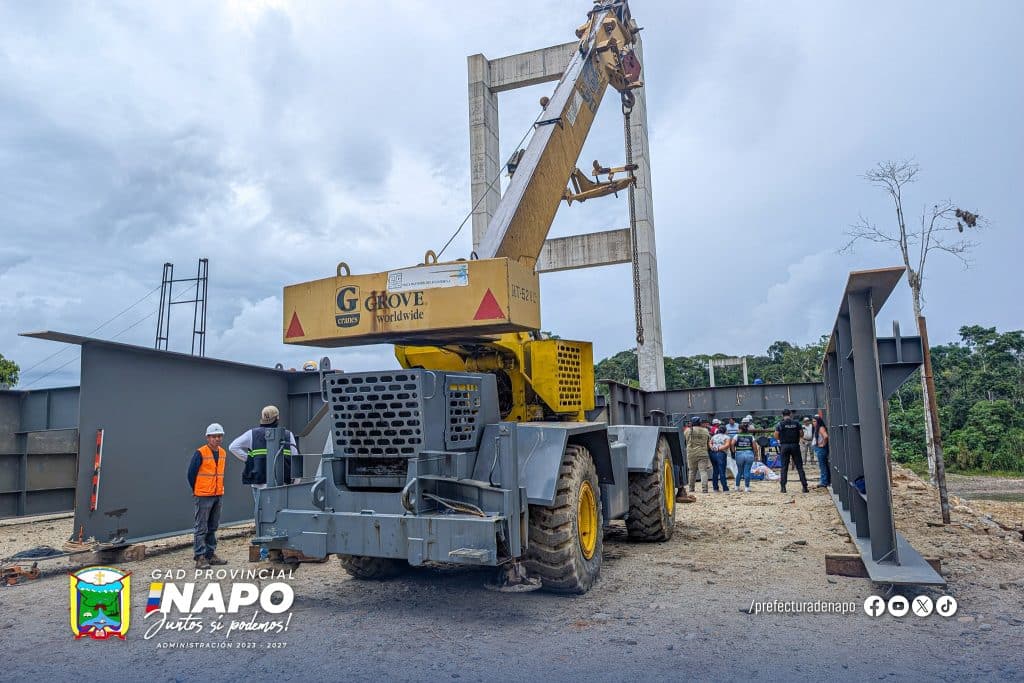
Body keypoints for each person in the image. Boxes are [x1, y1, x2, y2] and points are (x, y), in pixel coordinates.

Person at [229, 405, 299, 560]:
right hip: (282, 484)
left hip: (260, 484)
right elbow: (295, 457)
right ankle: (283, 550)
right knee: (282, 517)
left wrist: (250, 460)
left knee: (262, 517)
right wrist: (296, 481)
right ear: (277, 418)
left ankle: (265, 553)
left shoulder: (252, 434)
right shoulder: (287, 435)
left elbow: (233, 447)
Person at [186, 423, 229, 569]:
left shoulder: (223, 453)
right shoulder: (200, 453)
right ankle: (200, 557)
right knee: (201, 527)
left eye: (219, 436)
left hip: (217, 494)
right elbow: (191, 474)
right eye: (214, 436)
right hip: (204, 495)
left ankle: (210, 555)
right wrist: (198, 489)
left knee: (213, 526)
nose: (217, 439)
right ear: (208, 437)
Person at [774, 409, 809, 493]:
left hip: (784, 446)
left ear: (782, 415)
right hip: (795, 445)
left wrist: (783, 438)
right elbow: (801, 434)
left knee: (784, 467)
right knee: (799, 467)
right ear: (790, 414)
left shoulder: (780, 424)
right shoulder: (796, 423)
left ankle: (783, 488)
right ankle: (804, 487)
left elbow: (776, 435)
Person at [683, 416, 711, 495]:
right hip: (703, 453)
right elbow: (708, 442)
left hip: (691, 453)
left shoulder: (688, 430)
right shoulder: (705, 430)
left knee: (692, 471)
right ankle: (704, 489)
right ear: (700, 422)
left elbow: (685, 439)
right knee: (703, 471)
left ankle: (691, 488)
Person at [733, 418, 759, 492]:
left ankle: (736, 487)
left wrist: (733, 451)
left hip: (739, 454)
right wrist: (756, 455)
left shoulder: (736, 436)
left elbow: (732, 444)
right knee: (747, 471)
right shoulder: (751, 436)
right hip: (749, 454)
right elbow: (755, 447)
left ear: (740, 429)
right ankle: (747, 488)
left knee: (739, 471)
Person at [709, 427, 732, 492]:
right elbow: (727, 445)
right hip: (721, 453)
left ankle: (715, 488)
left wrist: (712, 448)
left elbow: (710, 443)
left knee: (715, 471)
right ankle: (725, 488)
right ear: (725, 431)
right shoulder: (726, 437)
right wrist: (719, 449)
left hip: (713, 453)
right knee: (722, 471)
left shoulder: (714, 436)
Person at [813, 415, 830, 488]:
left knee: (823, 466)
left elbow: (826, 436)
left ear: (818, 421)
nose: (813, 423)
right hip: (818, 449)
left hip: (821, 449)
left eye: (814, 421)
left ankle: (824, 482)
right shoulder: (817, 428)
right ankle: (824, 480)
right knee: (822, 465)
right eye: (813, 421)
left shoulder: (821, 428)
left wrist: (823, 444)